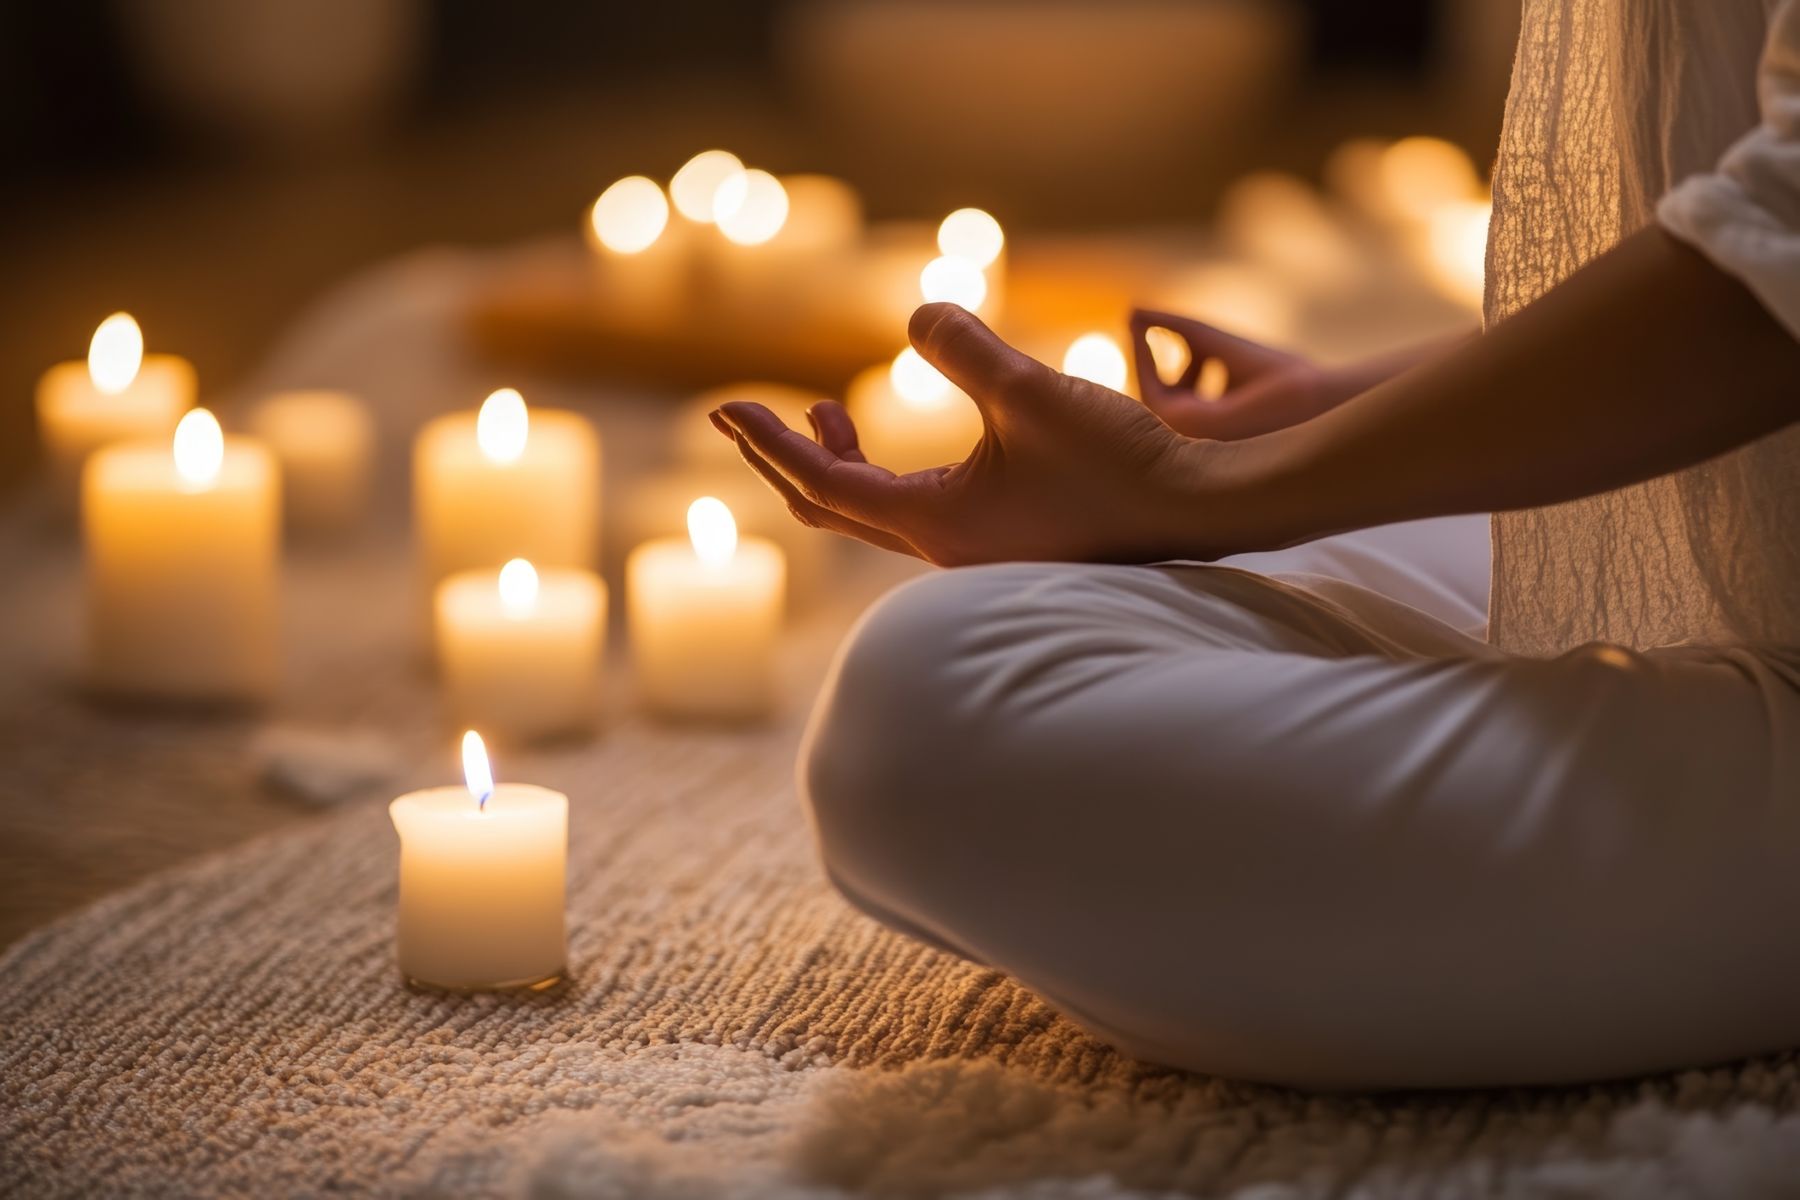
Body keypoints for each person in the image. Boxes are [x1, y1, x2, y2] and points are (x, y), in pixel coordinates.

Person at [710, 0, 1800, 1090]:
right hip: (1716, 503)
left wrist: (1204, 491)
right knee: (1010, 627)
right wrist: (1324, 412)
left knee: (939, 708)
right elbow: (1745, 198)